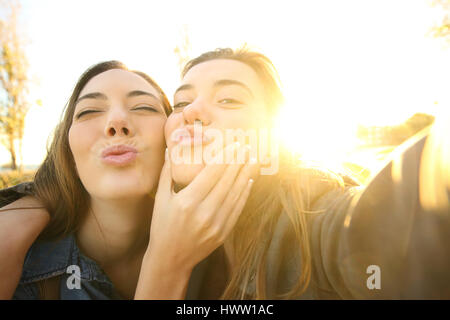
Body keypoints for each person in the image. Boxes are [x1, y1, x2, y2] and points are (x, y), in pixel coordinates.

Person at [2, 48, 450, 299]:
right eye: (180, 103)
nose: (193, 112)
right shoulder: (37, 264)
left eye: (230, 100)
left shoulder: (314, 223)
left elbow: (405, 211)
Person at [0, 58, 258, 299]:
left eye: (143, 107)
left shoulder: (229, 245)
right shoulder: (19, 259)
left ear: (173, 137)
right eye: (88, 111)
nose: (117, 122)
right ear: (68, 154)